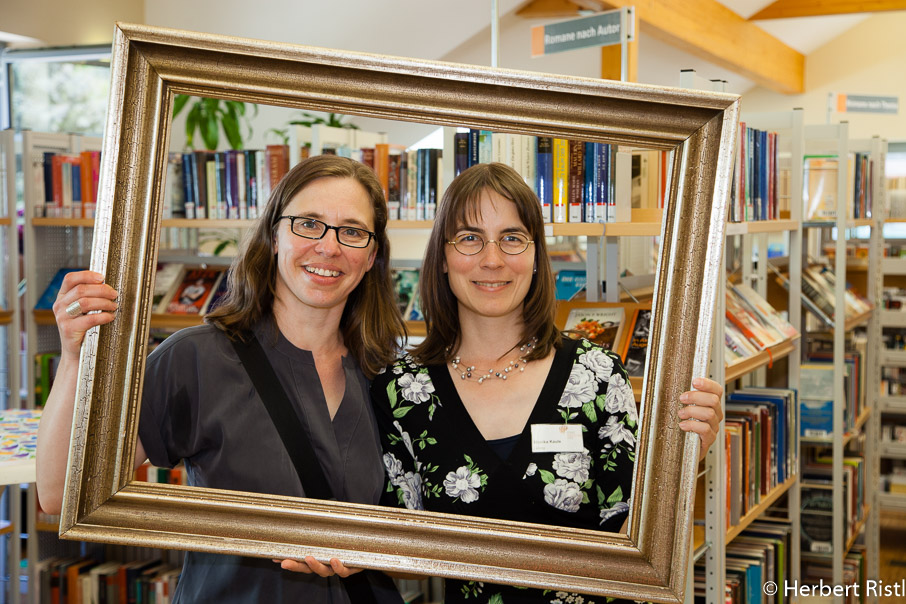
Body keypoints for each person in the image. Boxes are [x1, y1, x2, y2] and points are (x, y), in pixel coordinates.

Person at [36, 154, 407, 604]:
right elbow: (60, 493)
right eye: (308, 223)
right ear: (274, 235)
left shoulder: (392, 375)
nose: (329, 247)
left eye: (352, 231)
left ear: (370, 256)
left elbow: (423, 523)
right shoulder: (196, 359)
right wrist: (76, 358)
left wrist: (373, 550)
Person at [369, 162, 723, 603]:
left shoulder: (595, 375)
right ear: (442, 257)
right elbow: (400, 550)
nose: (492, 259)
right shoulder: (403, 393)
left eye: (512, 238)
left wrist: (681, 458)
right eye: (469, 238)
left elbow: (637, 532)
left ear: (537, 256)